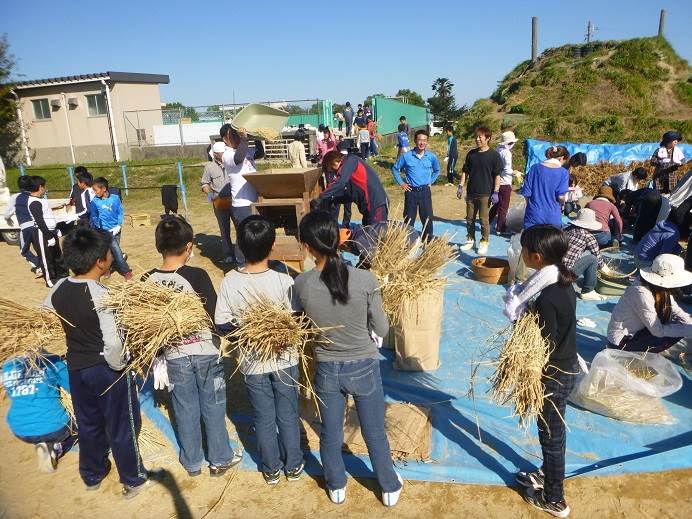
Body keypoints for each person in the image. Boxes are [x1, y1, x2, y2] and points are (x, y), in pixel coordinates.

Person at [294, 211, 403, 506]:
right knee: (374, 431)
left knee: (330, 431)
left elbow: (300, 324)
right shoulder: (366, 279)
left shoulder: (301, 285)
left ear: (307, 246)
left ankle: (336, 484)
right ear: (339, 238)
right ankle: (389, 487)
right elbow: (381, 328)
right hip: (365, 366)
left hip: (327, 368)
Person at [43, 228, 160, 498]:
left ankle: (92, 474)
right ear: (101, 262)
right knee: (122, 424)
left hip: (77, 369)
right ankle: (133, 478)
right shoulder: (102, 295)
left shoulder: (59, 287)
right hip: (107, 371)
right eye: (109, 254)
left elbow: (45, 316)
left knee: (89, 422)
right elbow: (114, 343)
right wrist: (120, 367)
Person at [145, 217, 242, 477]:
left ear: (158, 246)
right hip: (205, 354)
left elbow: (145, 326)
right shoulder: (196, 275)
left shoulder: (147, 280)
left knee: (184, 407)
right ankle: (220, 457)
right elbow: (215, 315)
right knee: (213, 404)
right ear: (189, 247)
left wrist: (156, 357)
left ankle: (191, 462)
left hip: (174, 356)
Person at [215, 215, 304, 485]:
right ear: (273, 245)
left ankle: (271, 468)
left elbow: (221, 323)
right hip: (285, 358)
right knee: (288, 413)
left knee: (263, 416)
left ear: (240, 245)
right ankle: (294, 464)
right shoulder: (284, 280)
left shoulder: (230, 281)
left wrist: (248, 337)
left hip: (253, 363)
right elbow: (298, 318)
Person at [513, 225, 578, 519]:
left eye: (524, 250)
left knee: (550, 435)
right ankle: (547, 473)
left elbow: (544, 341)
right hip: (565, 366)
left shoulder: (549, 296)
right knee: (555, 432)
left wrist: (522, 321)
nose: (521, 253)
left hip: (553, 374)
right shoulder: (562, 282)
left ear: (536, 257)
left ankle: (554, 499)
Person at [2, 354, 77, 473]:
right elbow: (73, 387)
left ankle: (42, 441)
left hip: (21, 430)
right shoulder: (50, 361)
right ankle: (58, 447)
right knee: (82, 418)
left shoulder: (8, 366)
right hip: (55, 427)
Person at [607, 254, 692, 352]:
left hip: (641, 330)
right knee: (678, 330)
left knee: (680, 324)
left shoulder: (660, 288)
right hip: (621, 343)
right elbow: (657, 330)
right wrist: (686, 330)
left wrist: (689, 324)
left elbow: (676, 310)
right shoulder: (641, 293)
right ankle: (636, 353)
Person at [219, 123, 262, 266]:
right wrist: (244, 139)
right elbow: (238, 159)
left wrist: (255, 136)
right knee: (244, 235)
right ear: (226, 139)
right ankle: (241, 263)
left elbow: (260, 153)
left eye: (238, 134)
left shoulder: (246, 150)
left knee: (255, 234)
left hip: (254, 200)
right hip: (242, 203)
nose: (238, 137)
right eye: (234, 135)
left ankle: (254, 261)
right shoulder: (228, 155)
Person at [457, 127, 503, 254]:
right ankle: (470, 240)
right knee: (470, 219)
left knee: (483, 220)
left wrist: (496, 191)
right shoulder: (471, 154)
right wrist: (461, 186)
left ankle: (484, 242)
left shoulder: (494, 155)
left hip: (485, 193)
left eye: (480, 137)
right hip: (471, 192)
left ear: (488, 138)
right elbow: (465, 172)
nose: (477, 139)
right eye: (476, 137)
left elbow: (497, 175)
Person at [392, 129, 441, 242]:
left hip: (425, 192)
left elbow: (437, 170)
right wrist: (402, 183)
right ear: (415, 140)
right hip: (411, 192)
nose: (422, 143)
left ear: (427, 141)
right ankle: (409, 241)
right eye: (419, 140)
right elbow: (395, 169)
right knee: (409, 219)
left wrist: (430, 181)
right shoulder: (406, 156)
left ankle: (427, 240)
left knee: (427, 218)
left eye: (424, 140)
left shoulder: (431, 157)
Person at [319, 151, 387, 226]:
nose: (335, 173)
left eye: (332, 170)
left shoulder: (351, 160)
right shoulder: (348, 173)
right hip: (368, 208)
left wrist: (322, 196)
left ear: (335, 162)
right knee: (367, 232)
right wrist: (335, 200)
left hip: (376, 204)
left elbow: (340, 183)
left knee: (375, 234)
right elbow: (351, 194)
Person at [27, 176, 68, 287]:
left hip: (51, 232)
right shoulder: (34, 202)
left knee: (57, 254)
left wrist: (55, 229)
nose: (45, 189)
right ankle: (50, 280)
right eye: (44, 186)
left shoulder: (40, 200)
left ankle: (63, 275)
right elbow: (40, 221)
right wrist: (48, 236)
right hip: (42, 233)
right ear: (40, 187)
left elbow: (48, 217)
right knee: (46, 257)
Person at [91, 177, 133, 280]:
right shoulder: (95, 202)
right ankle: (126, 271)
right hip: (104, 231)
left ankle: (107, 269)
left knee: (110, 251)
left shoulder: (115, 198)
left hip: (116, 230)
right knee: (116, 251)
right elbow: (94, 215)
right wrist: (98, 226)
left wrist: (119, 225)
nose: (94, 192)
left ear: (104, 189)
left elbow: (120, 212)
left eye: (96, 190)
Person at [520, 145, 570, 230]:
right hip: (553, 216)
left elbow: (526, 193)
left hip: (534, 214)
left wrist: (531, 207)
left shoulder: (534, 168)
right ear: (561, 158)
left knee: (530, 241)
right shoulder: (563, 173)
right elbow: (561, 197)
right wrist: (564, 204)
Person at [202, 141, 235, 264]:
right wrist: (210, 197)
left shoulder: (231, 163)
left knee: (240, 227)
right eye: (221, 153)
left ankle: (242, 253)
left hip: (234, 200)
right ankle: (228, 255)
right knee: (224, 229)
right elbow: (204, 183)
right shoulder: (209, 167)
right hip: (219, 202)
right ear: (215, 154)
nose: (224, 155)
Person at [562, 208, 606, 301]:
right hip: (565, 274)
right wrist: (606, 270)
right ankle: (588, 291)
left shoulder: (565, 230)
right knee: (592, 259)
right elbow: (598, 258)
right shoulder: (588, 236)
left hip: (553, 269)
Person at [3, 175, 42, 276]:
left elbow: (7, 213)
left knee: (24, 250)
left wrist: (7, 219)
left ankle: (38, 266)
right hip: (38, 226)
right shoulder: (34, 195)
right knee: (40, 247)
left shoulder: (16, 197)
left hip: (26, 227)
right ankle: (46, 264)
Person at [489, 130, 521, 234]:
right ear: (509, 143)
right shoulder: (507, 153)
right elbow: (507, 169)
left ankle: (487, 220)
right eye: (512, 143)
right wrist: (515, 173)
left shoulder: (498, 150)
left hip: (496, 181)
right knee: (504, 207)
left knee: (497, 204)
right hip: (505, 182)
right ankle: (500, 228)